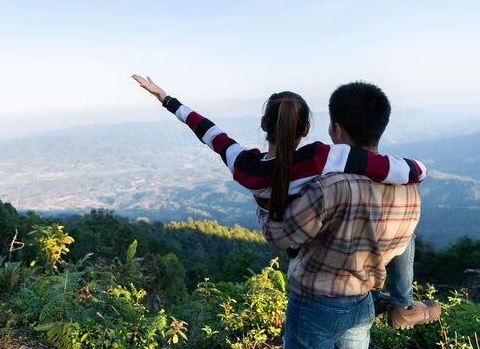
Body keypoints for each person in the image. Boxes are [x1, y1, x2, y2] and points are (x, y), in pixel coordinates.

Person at [131, 75, 440, 333]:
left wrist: (167, 100)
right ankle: (398, 301)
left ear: (264, 126)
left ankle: (380, 299)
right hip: (316, 244)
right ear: (305, 129)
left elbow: (210, 133)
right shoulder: (322, 157)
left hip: (291, 239)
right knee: (394, 226)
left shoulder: (244, 165)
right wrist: (417, 169)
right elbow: (408, 170)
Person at [258, 81, 441, 349]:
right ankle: (404, 304)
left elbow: (279, 236)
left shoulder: (330, 187)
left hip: (315, 305)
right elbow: (401, 244)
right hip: (362, 300)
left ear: (337, 129)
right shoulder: (409, 187)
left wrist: (263, 195)